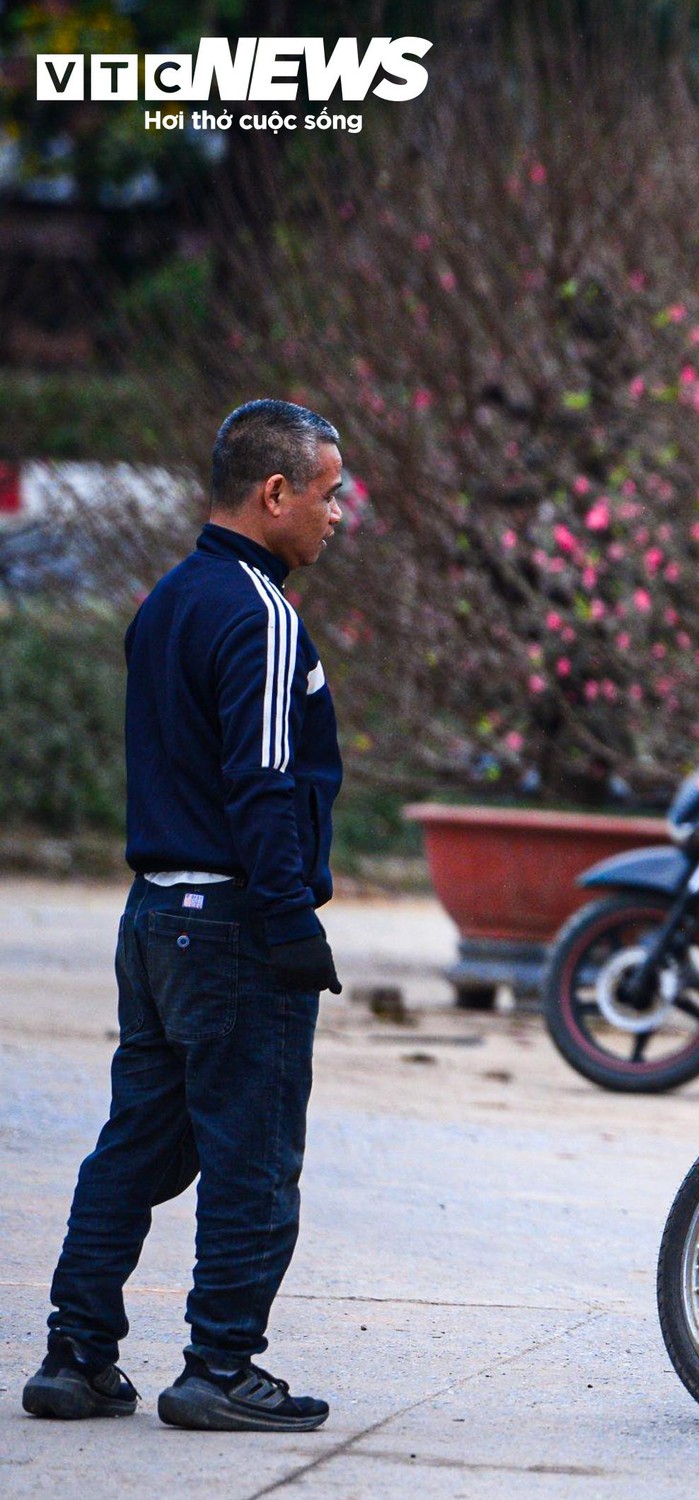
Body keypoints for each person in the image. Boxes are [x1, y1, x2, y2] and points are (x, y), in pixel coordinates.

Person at [22, 400, 346, 1432]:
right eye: (329, 494)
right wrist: (292, 920)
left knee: (137, 1144)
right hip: (233, 926)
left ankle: (75, 1357)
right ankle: (220, 1367)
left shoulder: (165, 600)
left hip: (154, 919)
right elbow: (260, 780)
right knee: (251, 1154)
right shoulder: (257, 609)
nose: (338, 515)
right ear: (275, 493)